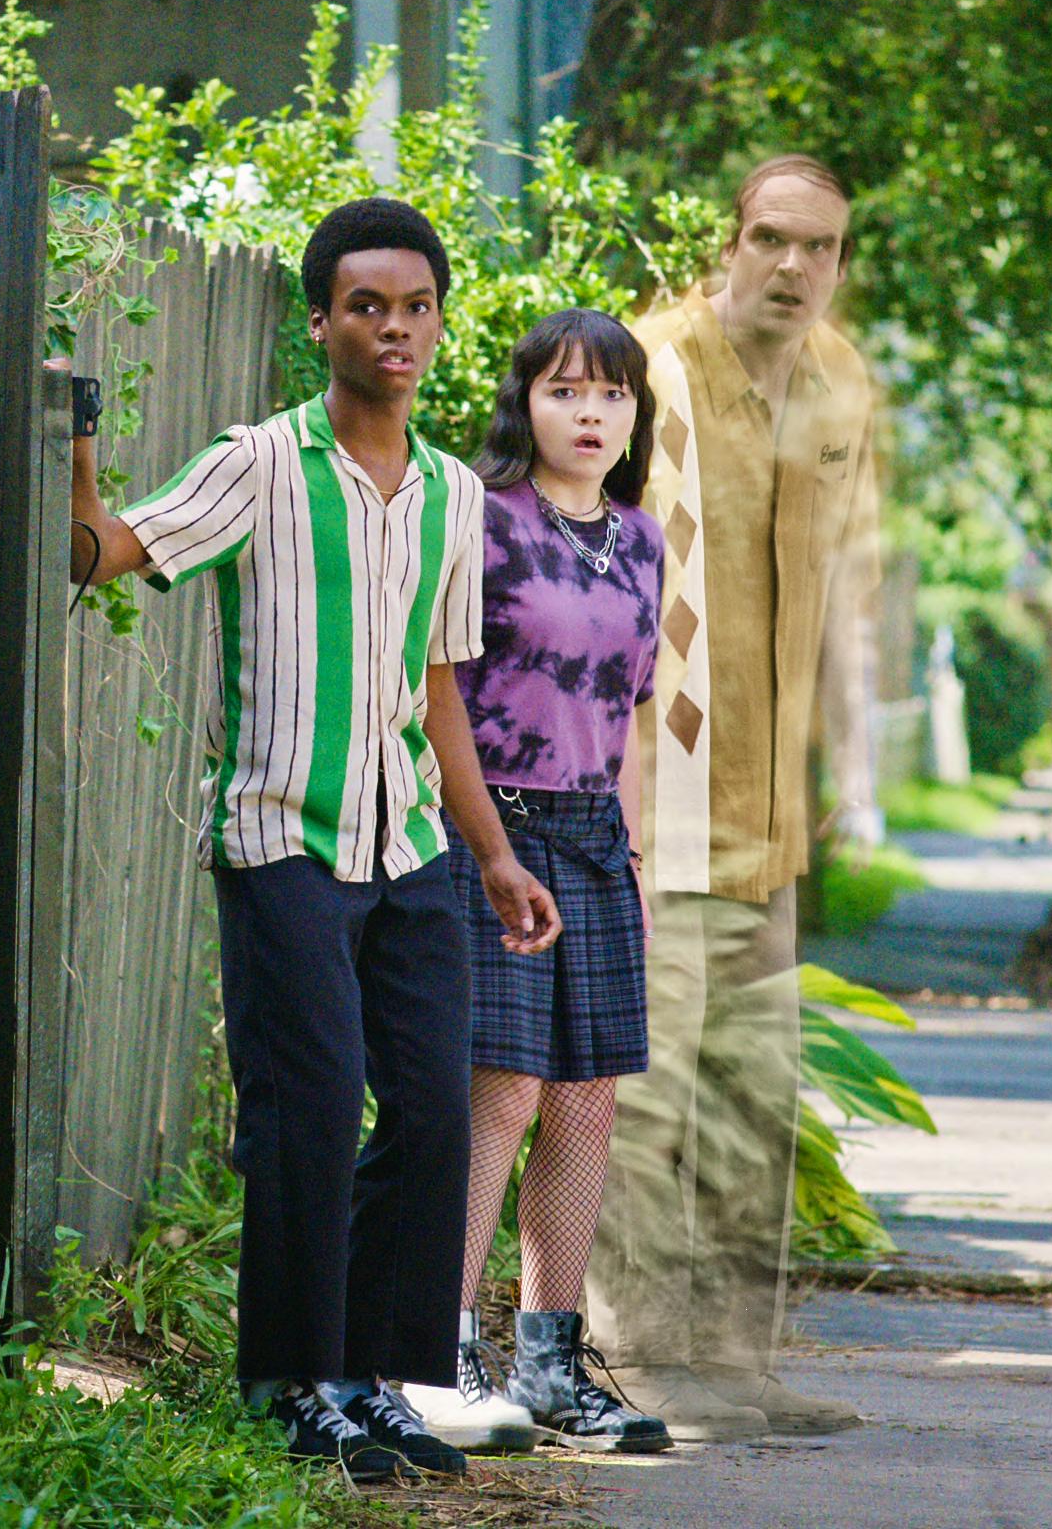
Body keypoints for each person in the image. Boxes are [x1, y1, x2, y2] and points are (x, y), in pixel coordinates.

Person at [66, 197, 562, 1483]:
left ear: (440, 323)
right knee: (308, 1109)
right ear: (321, 323)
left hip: (412, 849)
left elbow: (440, 689)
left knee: (435, 1113)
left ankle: (374, 1378)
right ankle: (291, 1384)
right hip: (280, 839)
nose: (393, 329)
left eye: (415, 308)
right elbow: (104, 552)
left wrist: (495, 853)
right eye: (365, 307)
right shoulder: (258, 464)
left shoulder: (456, 494)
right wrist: (68, 464)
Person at [583, 154, 887, 1441]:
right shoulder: (648, 371)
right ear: (730, 243)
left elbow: (849, 588)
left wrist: (847, 777)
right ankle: (642, 1364)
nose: (791, 267)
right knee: (650, 1088)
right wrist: (617, 798)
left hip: (772, 808)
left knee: (757, 1091)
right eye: (771, 238)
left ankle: (738, 1366)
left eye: (817, 248)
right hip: (662, 791)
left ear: (839, 262)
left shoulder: (841, 382)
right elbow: (596, 570)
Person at [384, 308, 678, 1455]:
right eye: (565, 391)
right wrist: (476, 839)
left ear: (635, 414)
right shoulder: (487, 524)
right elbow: (436, 682)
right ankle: (440, 1353)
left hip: (595, 837)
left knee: (587, 1095)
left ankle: (550, 1366)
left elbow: (629, 721)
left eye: (612, 394)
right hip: (488, 830)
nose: (591, 413)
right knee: (500, 1089)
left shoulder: (645, 540)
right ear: (526, 405)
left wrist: (635, 862)